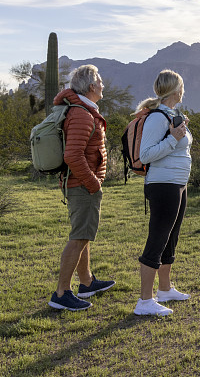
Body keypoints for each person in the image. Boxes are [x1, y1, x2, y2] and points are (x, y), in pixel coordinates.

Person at [49, 65, 116, 311]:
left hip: (80, 184)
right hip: (82, 185)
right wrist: (93, 182)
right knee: (78, 237)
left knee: (84, 235)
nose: (103, 85)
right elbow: (73, 156)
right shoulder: (82, 115)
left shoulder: (84, 111)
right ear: (91, 87)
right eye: (100, 81)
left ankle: (86, 282)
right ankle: (61, 293)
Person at [133, 69, 192, 316]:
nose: (184, 90)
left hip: (178, 184)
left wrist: (179, 134)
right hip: (163, 185)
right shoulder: (157, 118)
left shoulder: (172, 114)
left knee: (170, 238)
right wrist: (173, 138)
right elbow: (145, 155)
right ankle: (145, 301)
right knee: (157, 239)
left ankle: (165, 289)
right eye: (182, 86)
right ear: (176, 90)